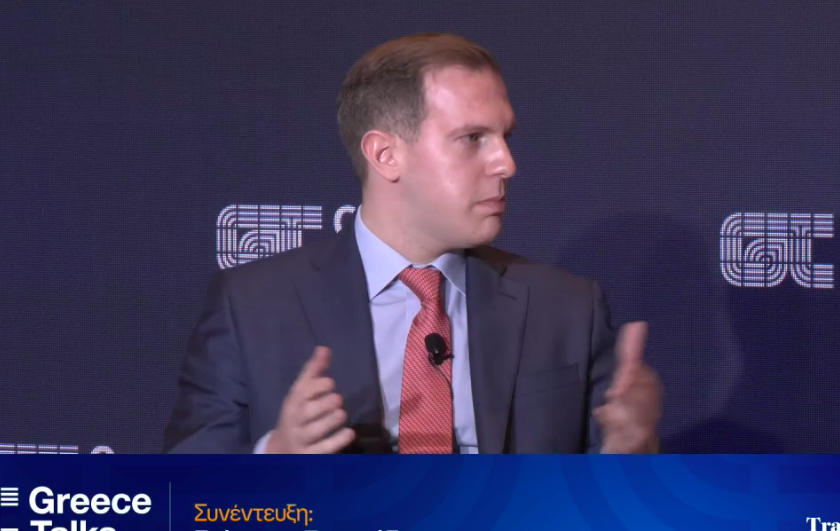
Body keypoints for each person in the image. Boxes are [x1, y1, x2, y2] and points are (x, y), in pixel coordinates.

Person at [163, 33, 661, 454]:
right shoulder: (252, 305)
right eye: (473, 138)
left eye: (505, 137)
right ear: (385, 154)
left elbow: (613, 510)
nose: (506, 163)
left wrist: (630, 455)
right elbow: (175, 507)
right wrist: (274, 461)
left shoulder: (567, 309)